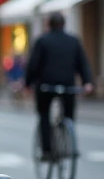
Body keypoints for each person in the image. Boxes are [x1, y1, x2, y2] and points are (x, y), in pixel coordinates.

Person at [24, 12, 93, 157]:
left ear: (49, 24)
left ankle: (47, 150)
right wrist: (87, 82)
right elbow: (83, 63)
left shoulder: (42, 41)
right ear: (64, 24)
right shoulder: (73, 41)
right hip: (68, 86)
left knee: (44, 115)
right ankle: (69, 143)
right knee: (69, 115)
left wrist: (28, 83)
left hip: (46, 86)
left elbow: (33, 65)